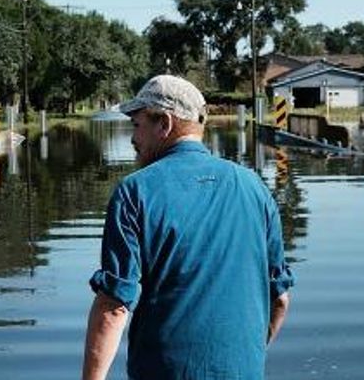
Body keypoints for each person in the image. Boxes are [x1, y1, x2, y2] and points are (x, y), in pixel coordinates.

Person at [82, 75, 295, 380]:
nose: (133, 139)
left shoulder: (134, 192)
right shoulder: (256, 188)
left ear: (164, 124)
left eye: (137, 125)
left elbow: (114, 307)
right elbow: (279, 298)